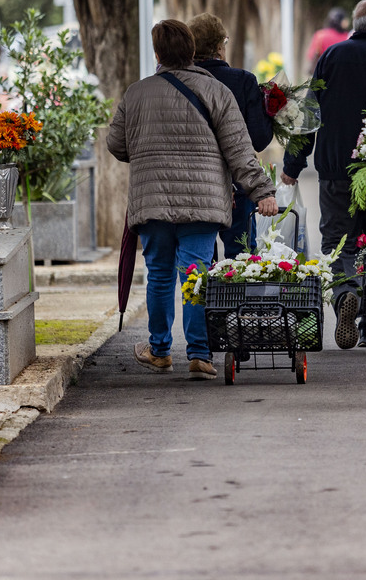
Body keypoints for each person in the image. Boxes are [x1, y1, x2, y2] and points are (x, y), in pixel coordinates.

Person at [108, 19, 278, 379]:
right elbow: (239, 151)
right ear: (193, 52)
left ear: (157, 54)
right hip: (202, 203)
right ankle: (200, 355)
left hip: (152, 201)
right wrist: (262, 191)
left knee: (158, 275)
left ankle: (159, 350)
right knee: (195, 274)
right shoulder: (217, 92)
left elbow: (117, 145)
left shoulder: (136, 93)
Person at [282, 0, 366, 349]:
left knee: (338, 241)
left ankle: (344, 297)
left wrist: (292, 165)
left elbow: (309, 113)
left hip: (335, 169)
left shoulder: (330, 57)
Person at [187, 13, 275, 259]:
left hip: (196, 187)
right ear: (218, 47)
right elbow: (258, 139)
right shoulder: (243, 81)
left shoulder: (178, 82)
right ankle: (237, 300)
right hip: (239, 182)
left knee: (200, 263)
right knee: (241, 259)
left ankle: (205, 299)